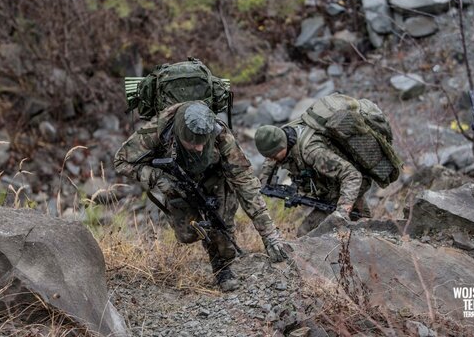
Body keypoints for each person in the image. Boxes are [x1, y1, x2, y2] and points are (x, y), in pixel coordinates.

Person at [114, 101, 289, 292]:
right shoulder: (156, 131)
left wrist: (269, 235)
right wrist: (158, 178)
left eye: (202, 142)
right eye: (193, 143)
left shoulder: (221, 135)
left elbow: (245, 183)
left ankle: (222, 268)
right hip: (175, 183)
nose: (199, 148)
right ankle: (208, 238)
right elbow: (121, 161)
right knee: (187, 235)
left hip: (215, 177)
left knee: (222, 227)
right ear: (179, 136)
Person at [255, 123, 372, 236]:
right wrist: (263, 183)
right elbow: (270, 160)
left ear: (283, 145)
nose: (272, 159)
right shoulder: (281, 136)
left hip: (347, 187)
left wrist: (341, 213)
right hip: (332, 187)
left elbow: (352, 175)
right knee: (364, 225)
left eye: (274, 156)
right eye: (269, 157)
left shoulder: (312, 152)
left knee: (307, 233)